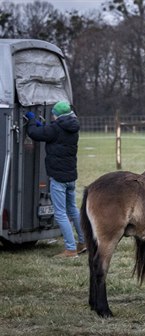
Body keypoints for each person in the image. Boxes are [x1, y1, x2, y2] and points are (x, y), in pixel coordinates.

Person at [25, 101, 86, 258]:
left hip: (58, 177)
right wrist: (42, 126)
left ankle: (71, 249)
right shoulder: (73, 126)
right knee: (72, 209)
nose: (52, 115)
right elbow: (50, 131)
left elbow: (34, 133)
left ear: (58, 115)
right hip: (71, 176)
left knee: (60, 213)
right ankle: (83, 242)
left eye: (53, 113)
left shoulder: (55, 128)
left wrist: (31, 120)